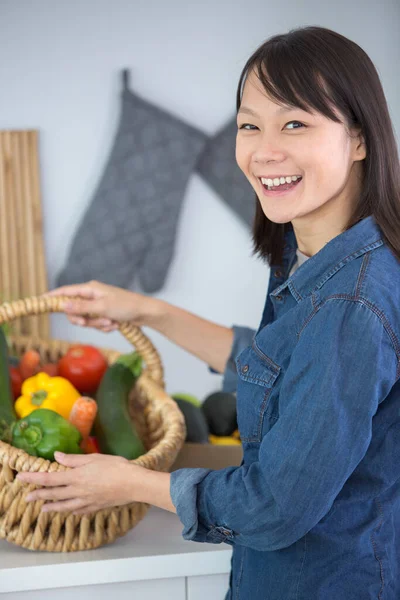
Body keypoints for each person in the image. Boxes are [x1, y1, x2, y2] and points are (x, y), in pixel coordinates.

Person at [17, 25, 400, 599]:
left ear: (360, 139)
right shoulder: (316, 256)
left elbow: (272, 504)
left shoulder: (350, 303)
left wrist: (132, 483)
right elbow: (281, 367)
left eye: (295, 123)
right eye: (250, 124)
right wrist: (143, 309)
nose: (264, 150)